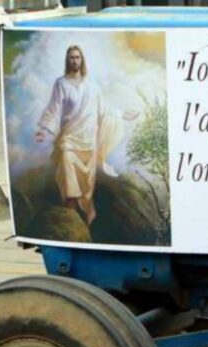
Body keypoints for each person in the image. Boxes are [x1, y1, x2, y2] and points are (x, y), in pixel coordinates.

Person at [36, 45, 137, 224]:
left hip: (88, 141)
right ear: (67, 60)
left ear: (82, 60)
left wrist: (122, 114)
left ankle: (87, 210)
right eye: (72, 58)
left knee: (87, 182)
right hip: (69, 136)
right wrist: (44, 129)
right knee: (66, 158)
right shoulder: (61, 83)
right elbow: (54, 108)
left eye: (78, 57)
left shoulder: (91, 85)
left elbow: (104, 109)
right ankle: (71, 206)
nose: (75, 60)